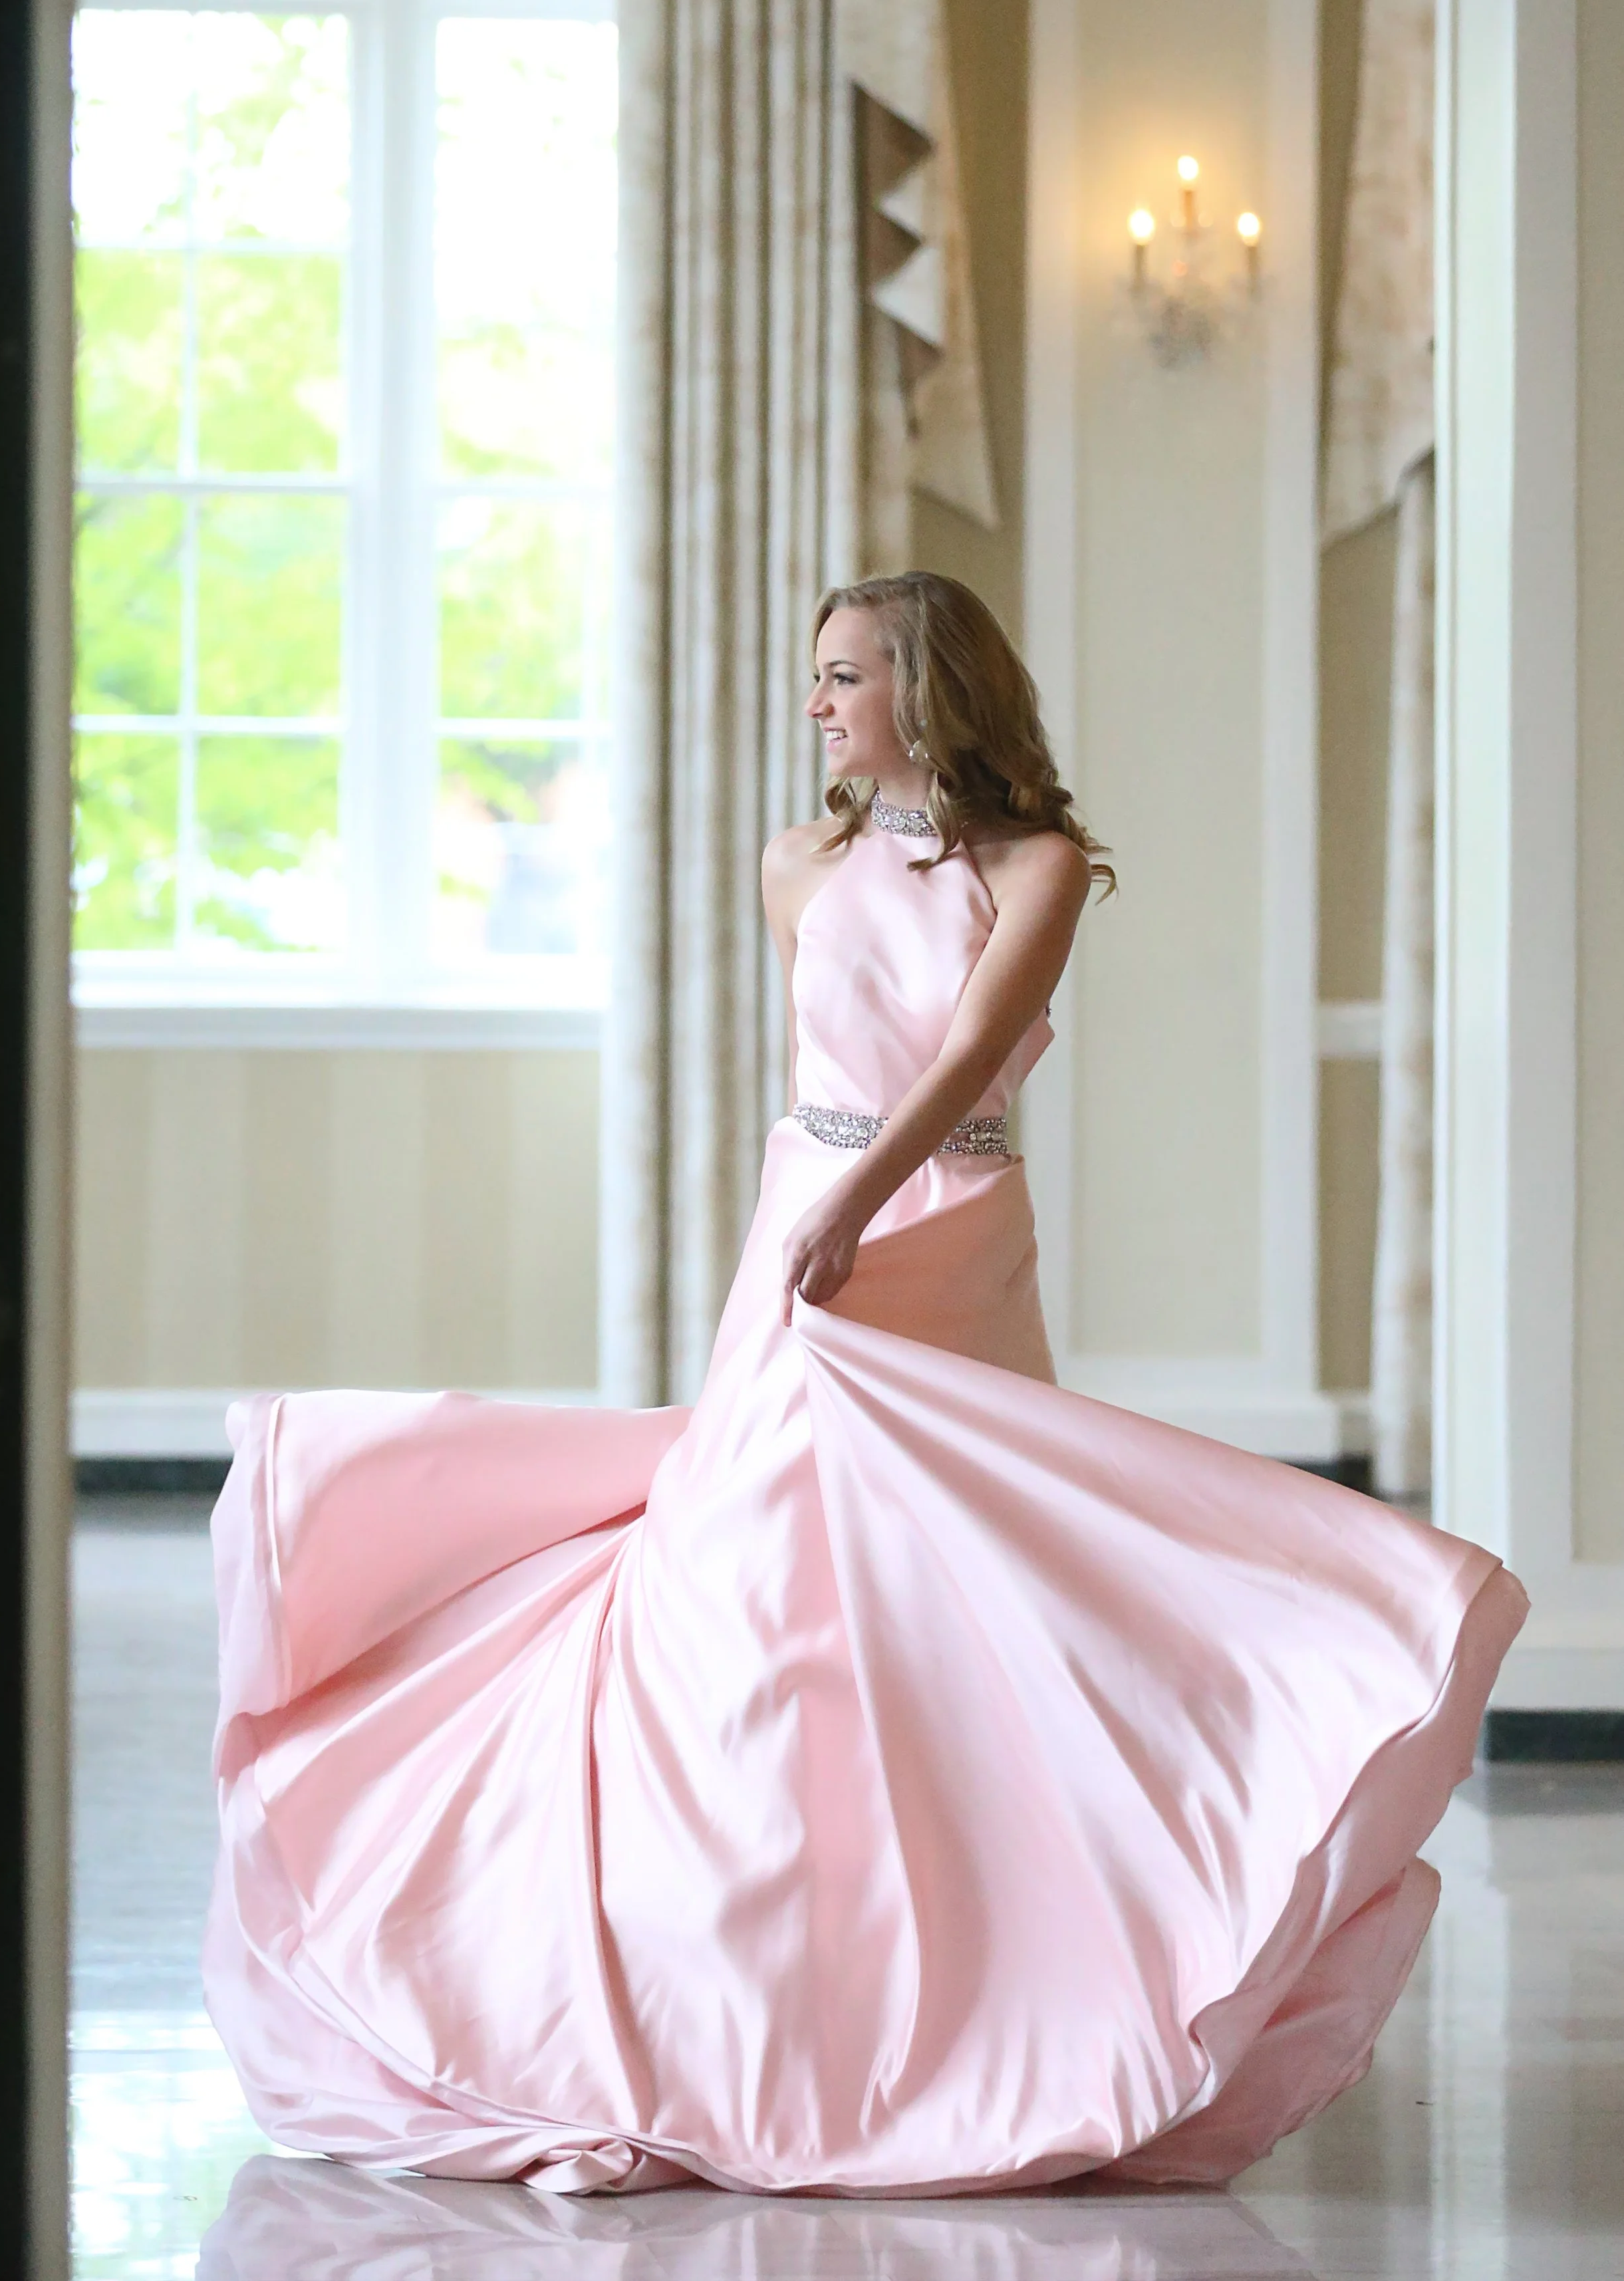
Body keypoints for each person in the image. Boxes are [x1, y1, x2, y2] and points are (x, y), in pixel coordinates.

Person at [204, 569, 1526, 2197]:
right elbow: (823, 1070)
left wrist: (858, 1205)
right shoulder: (797, 864)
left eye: (845, 676)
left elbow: (967, 1052)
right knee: (748, 1579)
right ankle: (735, 1957)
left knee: (962, 1586)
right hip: (809, 1216)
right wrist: (815, 1207)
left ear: (926, 686)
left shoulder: (1036, 866)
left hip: (944, 1227)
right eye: (816, 675)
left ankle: (1017, 1946)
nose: (818, 703)